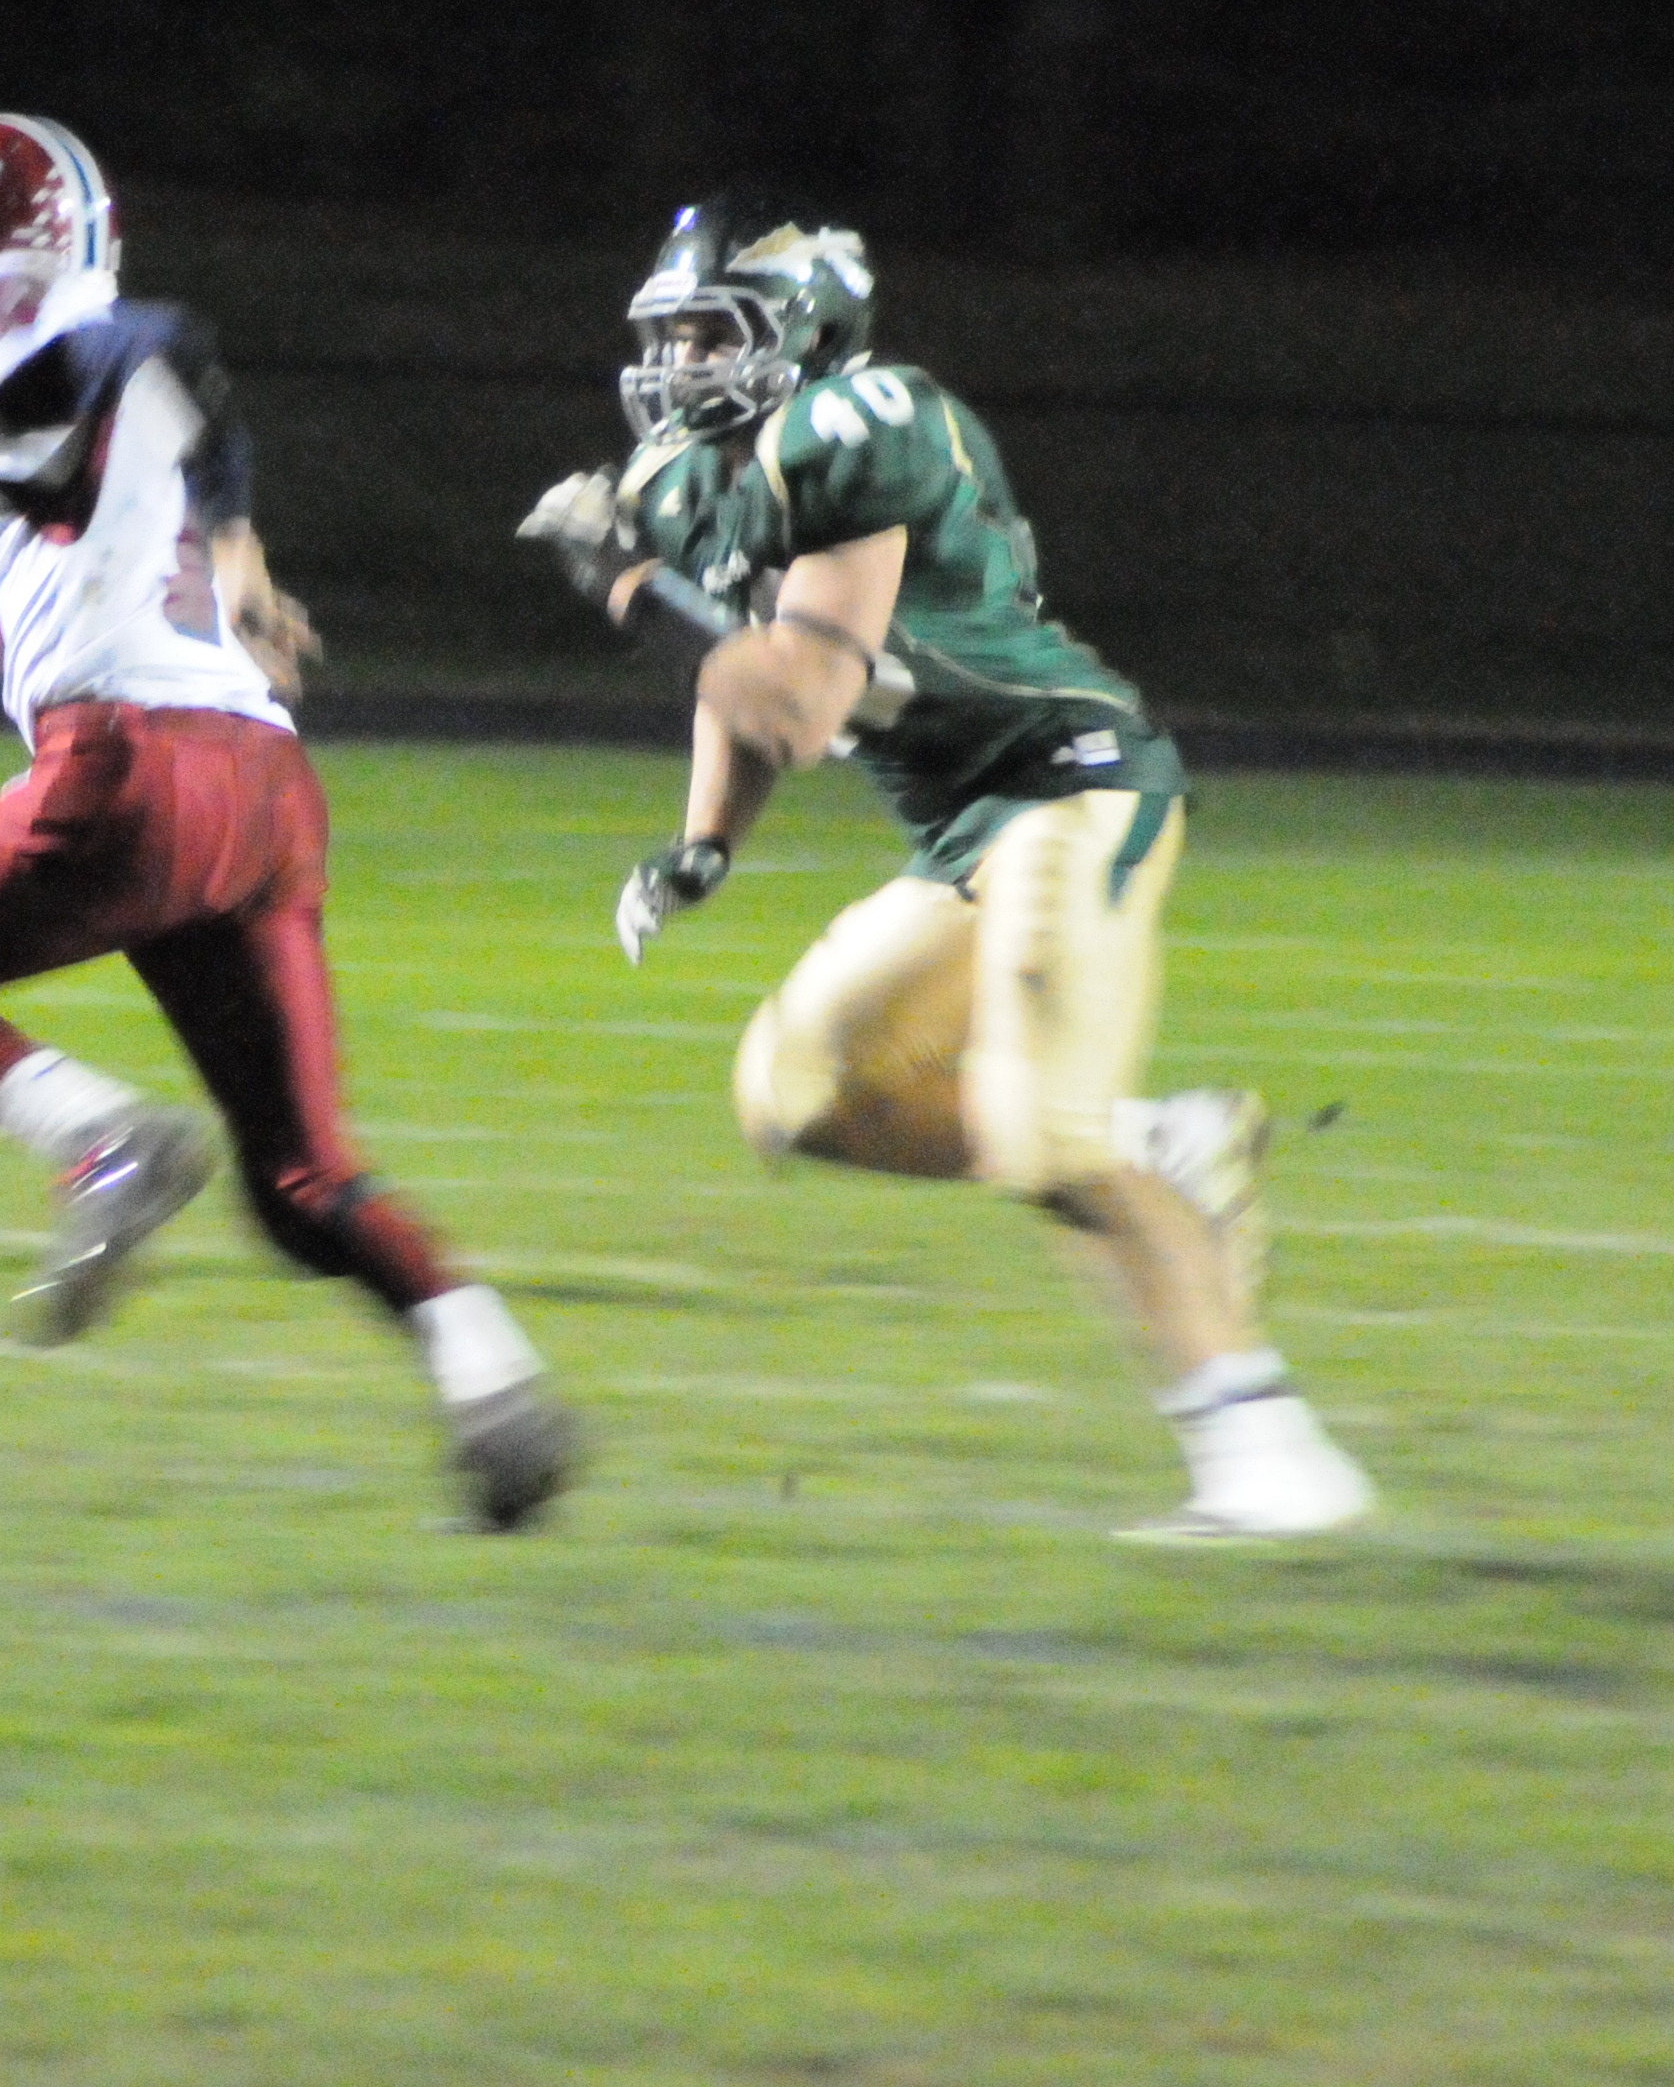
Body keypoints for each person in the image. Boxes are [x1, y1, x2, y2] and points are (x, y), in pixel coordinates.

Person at [0, 113, 578, 1531]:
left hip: (127, 772)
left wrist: (240, 543)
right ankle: (493, 1380)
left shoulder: (3, 325)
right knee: (301, 1178)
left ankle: (101, 1145)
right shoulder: (60, 383)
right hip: (262, 790)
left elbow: (165, 342)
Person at [519, 208, 1370, 1542]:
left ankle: (1270, 1457)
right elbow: (738, 672)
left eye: (713, 333)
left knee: (1045, 1137)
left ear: (804, 333)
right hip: (965, 828)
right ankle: (1157, 1141)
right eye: (670, 335)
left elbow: (797, 701)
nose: (682, 362)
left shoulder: (858, 425)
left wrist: (626, 587)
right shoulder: (686, 478)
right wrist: (704, 841)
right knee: (794, 1090)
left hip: (1066, 782)